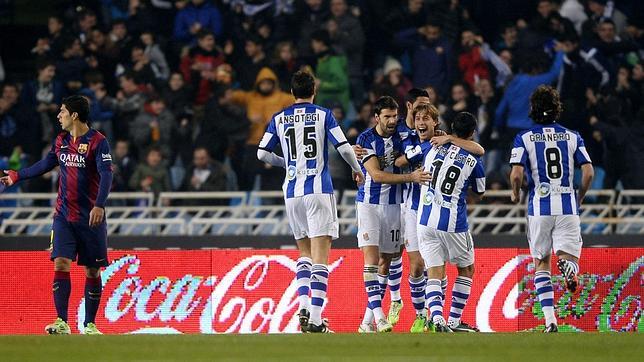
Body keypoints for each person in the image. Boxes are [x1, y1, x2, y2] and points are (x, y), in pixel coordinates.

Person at [257, 70, 364, 333]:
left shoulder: (279, 118)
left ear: (292, 93)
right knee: (320, 257)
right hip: (318, 190)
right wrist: (357, 169)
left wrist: (287, 164)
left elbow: (262, 153)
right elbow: (343, 146)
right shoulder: (323, 114)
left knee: (303, 253)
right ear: (313, 91)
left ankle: (304, 306)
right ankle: (316, 318)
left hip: (292, 193)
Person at [1, 95, 113, 335]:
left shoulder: (98, 141)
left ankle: (90, 325)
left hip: (90, 218)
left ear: (74, 115)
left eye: (62, 111)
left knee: (92, 271)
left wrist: (99, 205)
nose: (58, 115)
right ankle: (62, 321)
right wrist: (17, 175)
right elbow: (45, 164)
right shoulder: (61, 140)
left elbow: (106, 175)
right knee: (61, 262)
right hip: (63, 216)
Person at [509, 85, 594, 332]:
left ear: (532, 110)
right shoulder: (573, 136)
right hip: (567, 204)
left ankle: (550, 320)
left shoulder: (523, 137)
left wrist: (515, 192)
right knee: (569, 256)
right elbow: (588, 171)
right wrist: (581, 196)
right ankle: (570, 268)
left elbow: (516, 174)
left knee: (541, 262)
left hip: (539, 207)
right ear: (557, 109)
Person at [399, 104, 485, 333]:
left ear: (450, 130)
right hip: (453, 223)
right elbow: (480, 190)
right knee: (466, 269)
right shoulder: (474, 159)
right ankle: (454, 321)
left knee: (435, 271)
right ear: (472, 133)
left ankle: (436, 319)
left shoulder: (430, 147)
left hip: (425, 221)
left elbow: (403, 160)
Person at [355, 96, 430, 334]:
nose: (391, 120)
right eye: (386, 116)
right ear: (377, 117)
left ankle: (367, 321)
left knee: (387, 261)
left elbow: (418, 136)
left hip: (395, 205)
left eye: (393, 116)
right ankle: (379, 317)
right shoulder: (365, 139)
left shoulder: (403, 135)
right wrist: (411, 177)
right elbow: (376, 175)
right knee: (371, 260)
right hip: (368, 204)